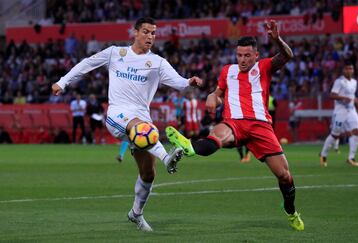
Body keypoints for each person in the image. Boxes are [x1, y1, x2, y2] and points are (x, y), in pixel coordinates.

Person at [51, 17, 203, 232]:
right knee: (141, 128)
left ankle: (136, 213)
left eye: (154, 33)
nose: (151, 36)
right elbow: (87, 64)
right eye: (146, 32)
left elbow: (178, 83)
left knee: (148, 174)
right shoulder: (115, 53)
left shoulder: (157, 62)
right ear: (135, 32)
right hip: (117, 116)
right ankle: (167, 157)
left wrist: (189, 82)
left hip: (142, 124)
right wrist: (63, 81)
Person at [165, 20, 304, 231]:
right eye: (239, 55)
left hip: (261, 127)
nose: (243, 59)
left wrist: (276, 39)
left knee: (284, 175)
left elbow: (286, 56)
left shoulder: (264, 67)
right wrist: (212, 96)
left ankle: (291, 211)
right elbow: (218, 94)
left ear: (256, 55)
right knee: (216, 136)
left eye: (247, 55)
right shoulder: (227, 71)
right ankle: (189, 147)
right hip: (234, 123)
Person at [320, 61, 358, 167]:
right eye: (347, 68)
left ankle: (351, 158)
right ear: (343, 70)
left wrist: (356, 100)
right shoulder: (339, 81)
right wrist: (343, 98)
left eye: (351, 68)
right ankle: (323, 154)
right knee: (335, 134)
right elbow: (332, 95)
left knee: (357, 131)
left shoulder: (354, 82)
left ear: (353, 70)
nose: (349, 70)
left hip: (351, 110)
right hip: (340, 111)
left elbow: (351, 96)